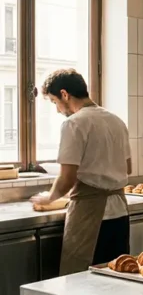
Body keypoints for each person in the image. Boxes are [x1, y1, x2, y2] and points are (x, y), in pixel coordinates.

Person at [30, 69, 132, 275]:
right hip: (120, 213)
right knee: (116, 281)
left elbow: (67, 178)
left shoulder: (74, 123)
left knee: (84, 284)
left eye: (54, 101)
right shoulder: (116, 121)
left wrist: (49, 198)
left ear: (65, 94)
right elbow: (128, 168)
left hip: (91, 217)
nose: (57, 110)